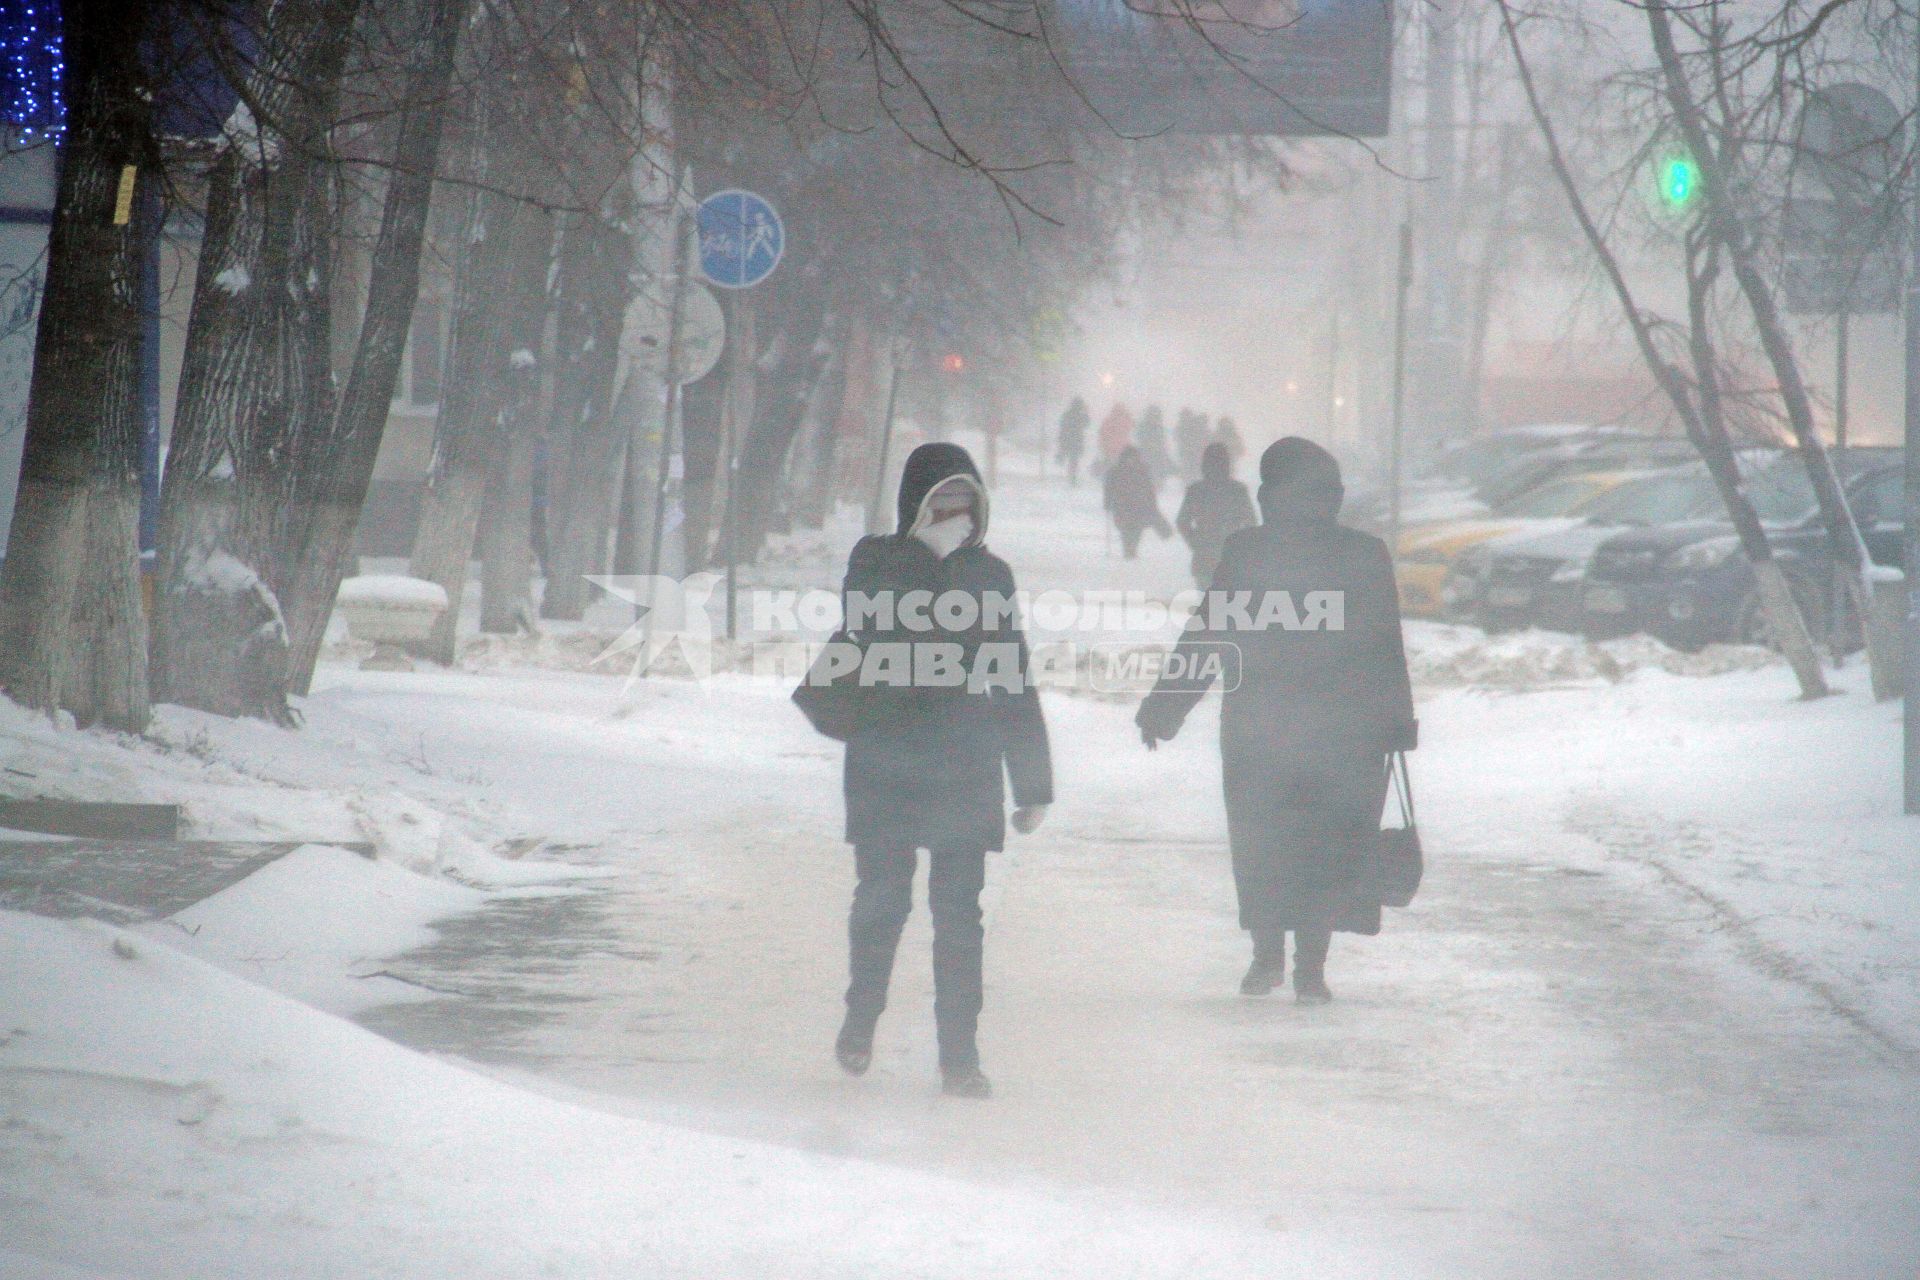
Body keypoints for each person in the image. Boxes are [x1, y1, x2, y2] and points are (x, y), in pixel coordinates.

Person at [1135, 438, 1416, 1004]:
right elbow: (1385, 645)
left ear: (1270, 495)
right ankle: (1311, 967)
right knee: (1326, 844)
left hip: (1258, 730)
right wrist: (1394, 724)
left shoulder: (1248, 551)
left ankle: (1267, 957)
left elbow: (1209, 634)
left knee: (1264, 843)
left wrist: (1165, 709)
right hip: (1346, 735)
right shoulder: (1364, 554)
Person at [834, 442, 1053, 1099]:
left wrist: (1033, 781)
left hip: (964, 764)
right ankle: (860, 1019)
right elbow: (863, 628)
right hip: (884, 758)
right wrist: (920, 556)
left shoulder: (991, 577)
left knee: (959, 916)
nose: (956, 517)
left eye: (966, 504)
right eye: (942, 504)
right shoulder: (875, 561)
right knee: (881, 902)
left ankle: (960, 1056)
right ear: (916, 507)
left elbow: (1011, 672)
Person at [1174, 441, 1256, 587]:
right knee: (1232, 605)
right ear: (1227, 464)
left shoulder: (1196, 490)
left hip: (1204, 557)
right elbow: (1251, 521)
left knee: (1207, 602)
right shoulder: (1237, 490)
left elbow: (1182, 521)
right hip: (1232, 559)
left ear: (1204, 464)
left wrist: (1195, 542)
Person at [1102, 445, 1171, 560]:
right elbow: (1108, 489)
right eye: (1130, 457)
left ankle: (1131, 553)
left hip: (1138, 507)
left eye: (1134, 457)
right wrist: (1107, 503)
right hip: (1123, 508)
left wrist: (1152, 503)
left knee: (1136, 531)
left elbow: (1149, 489)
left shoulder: (1141, 470)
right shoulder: (1116, 471)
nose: (1132, 460)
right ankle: (1129, 553)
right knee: (1126, 531)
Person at [1135, 405, 1176, 488]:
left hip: (1154, 454)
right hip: (1150, 454)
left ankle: (1156, 485)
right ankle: (1154, 486)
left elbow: (1161, 441)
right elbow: (1142, 440)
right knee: (1152, 471)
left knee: (1154, 471)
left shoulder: (1153, 427)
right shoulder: (1147, 427)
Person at [1055, 397, 1090, 486]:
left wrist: (1061, 439)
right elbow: (1086, 424)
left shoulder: (1067, 414)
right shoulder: (1080, 415)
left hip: (1068, 439)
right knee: (1074, 459)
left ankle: (1071, 475)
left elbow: (1062, 427)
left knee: (1071, 457)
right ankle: (1072, 477)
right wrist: (1086, 413)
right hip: (1076, 439)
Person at [1096, 403, 1134, 476]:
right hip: (1123, 448)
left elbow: (1102, 434)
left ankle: (1110, 482)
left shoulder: (1108, 420)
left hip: (1109, 448)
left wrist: (1102, 446)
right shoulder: (1125, 420)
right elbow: (1131, 426)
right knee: (1122, 468)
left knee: (1109, 468)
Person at [1174, 408, 1210, 483]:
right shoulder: (1186, 427)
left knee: (1191, 476)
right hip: (1192, 456)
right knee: (1193, 475)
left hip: (1190, 456)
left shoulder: (1183, 427)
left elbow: (1177, 439)